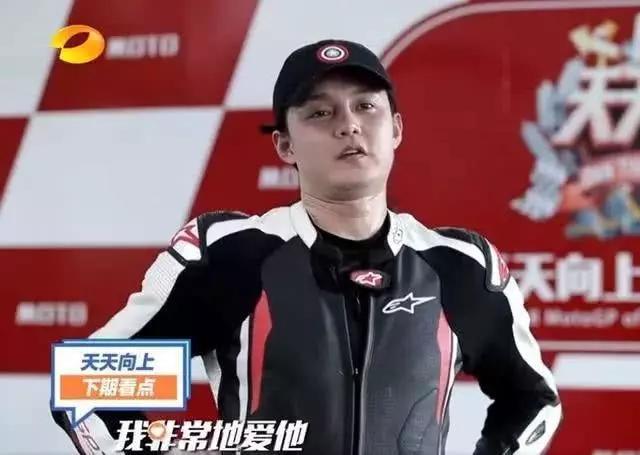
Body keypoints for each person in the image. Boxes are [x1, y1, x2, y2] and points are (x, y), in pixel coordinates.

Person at [52, 39, 562, 455]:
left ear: (396, 129)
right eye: (319, 112)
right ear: (285, 145)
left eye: (366, 106)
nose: (348, 124)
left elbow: (532, 400)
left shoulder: (458, 267)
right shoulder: (235, 258)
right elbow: (86, 387)